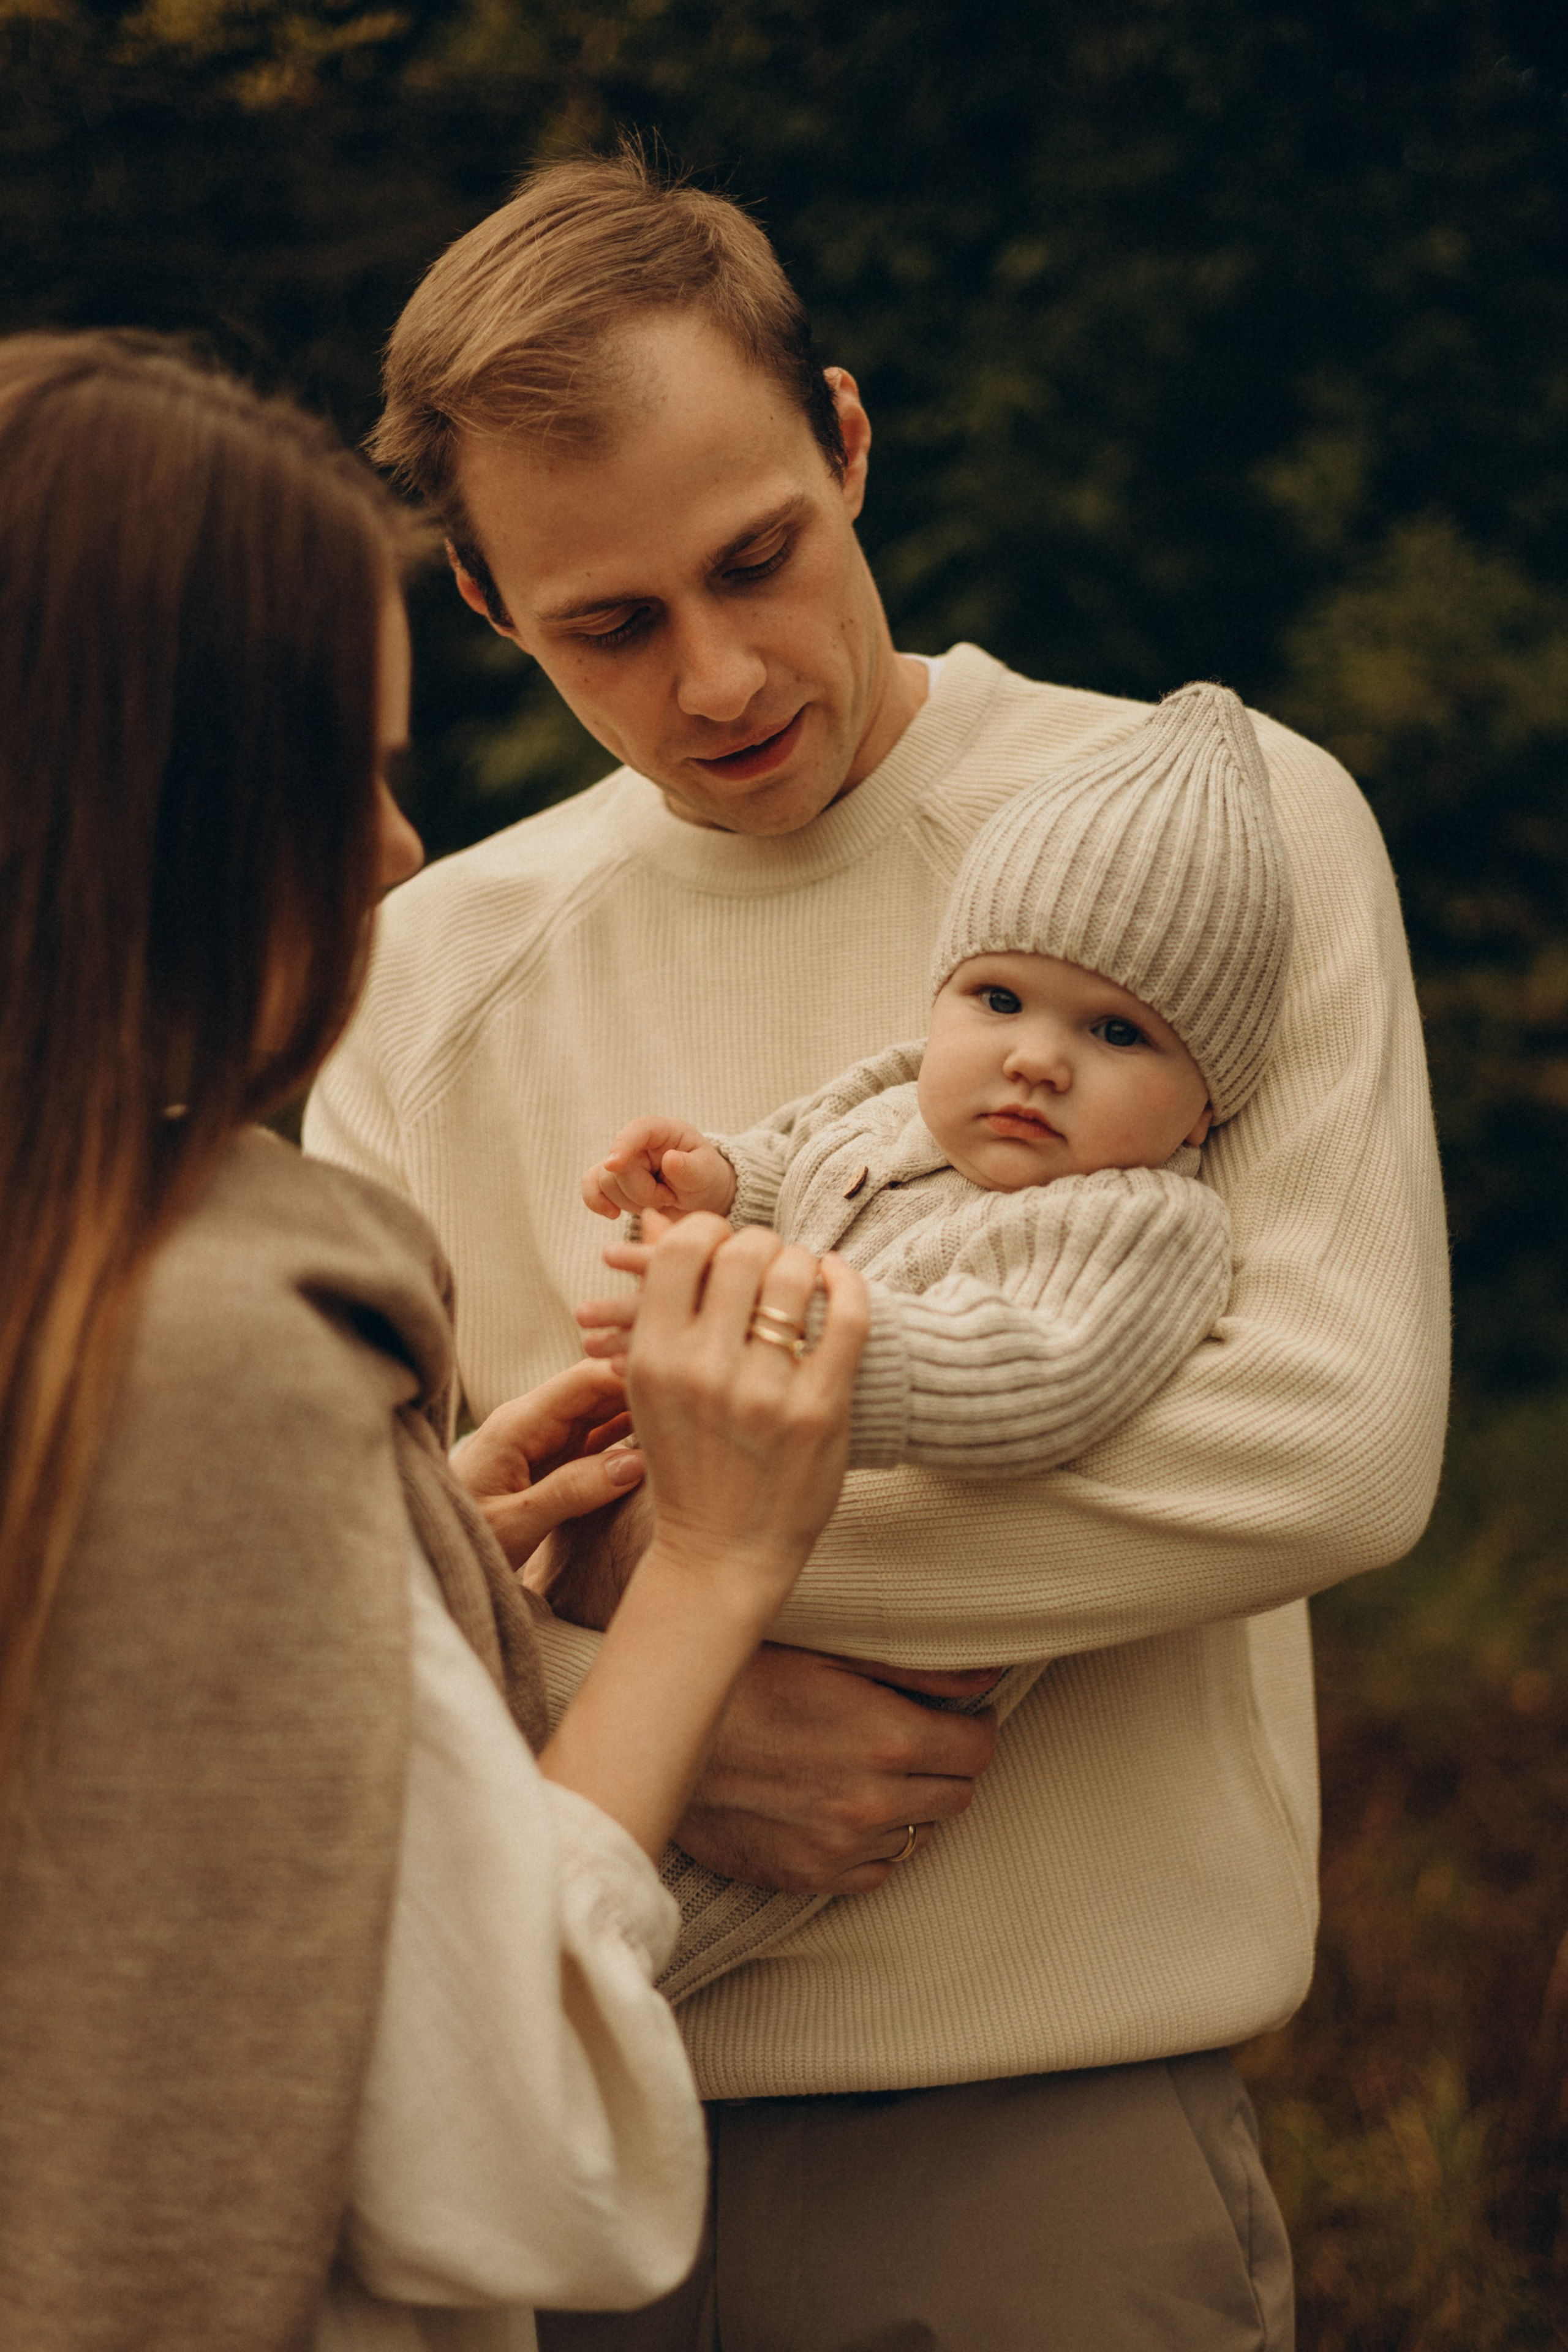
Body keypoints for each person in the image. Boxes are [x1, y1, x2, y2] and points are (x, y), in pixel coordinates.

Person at [306, 151, 1450, 2348]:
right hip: (531, 2183)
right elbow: (343, 1588)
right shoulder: (414, 980)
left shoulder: (1209, 825)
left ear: (845, 438)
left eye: (758, 558)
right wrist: (618, 1698)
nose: (720, 676)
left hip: (1037, 2170)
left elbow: (1330, 1444)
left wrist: (649, 1603)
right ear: (483, 609)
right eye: (608, 627)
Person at [0, 329, 869, 2352]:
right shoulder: (205, 1340)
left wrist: (401, 1566)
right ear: (153, 820)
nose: (396, 851)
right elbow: (515, 2161)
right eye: (346, 775)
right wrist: (712, 1583)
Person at [576, 680, 1286, 1490]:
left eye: (1119, 1032)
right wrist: (717, 1184)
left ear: (1203, 1109)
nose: (1036, 1061)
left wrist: (773, 1341)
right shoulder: (894, 1102)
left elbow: (1038, 1377)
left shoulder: (1136, 1221)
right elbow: (797, 1165)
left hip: (850, 1566)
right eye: (1001, 1000)